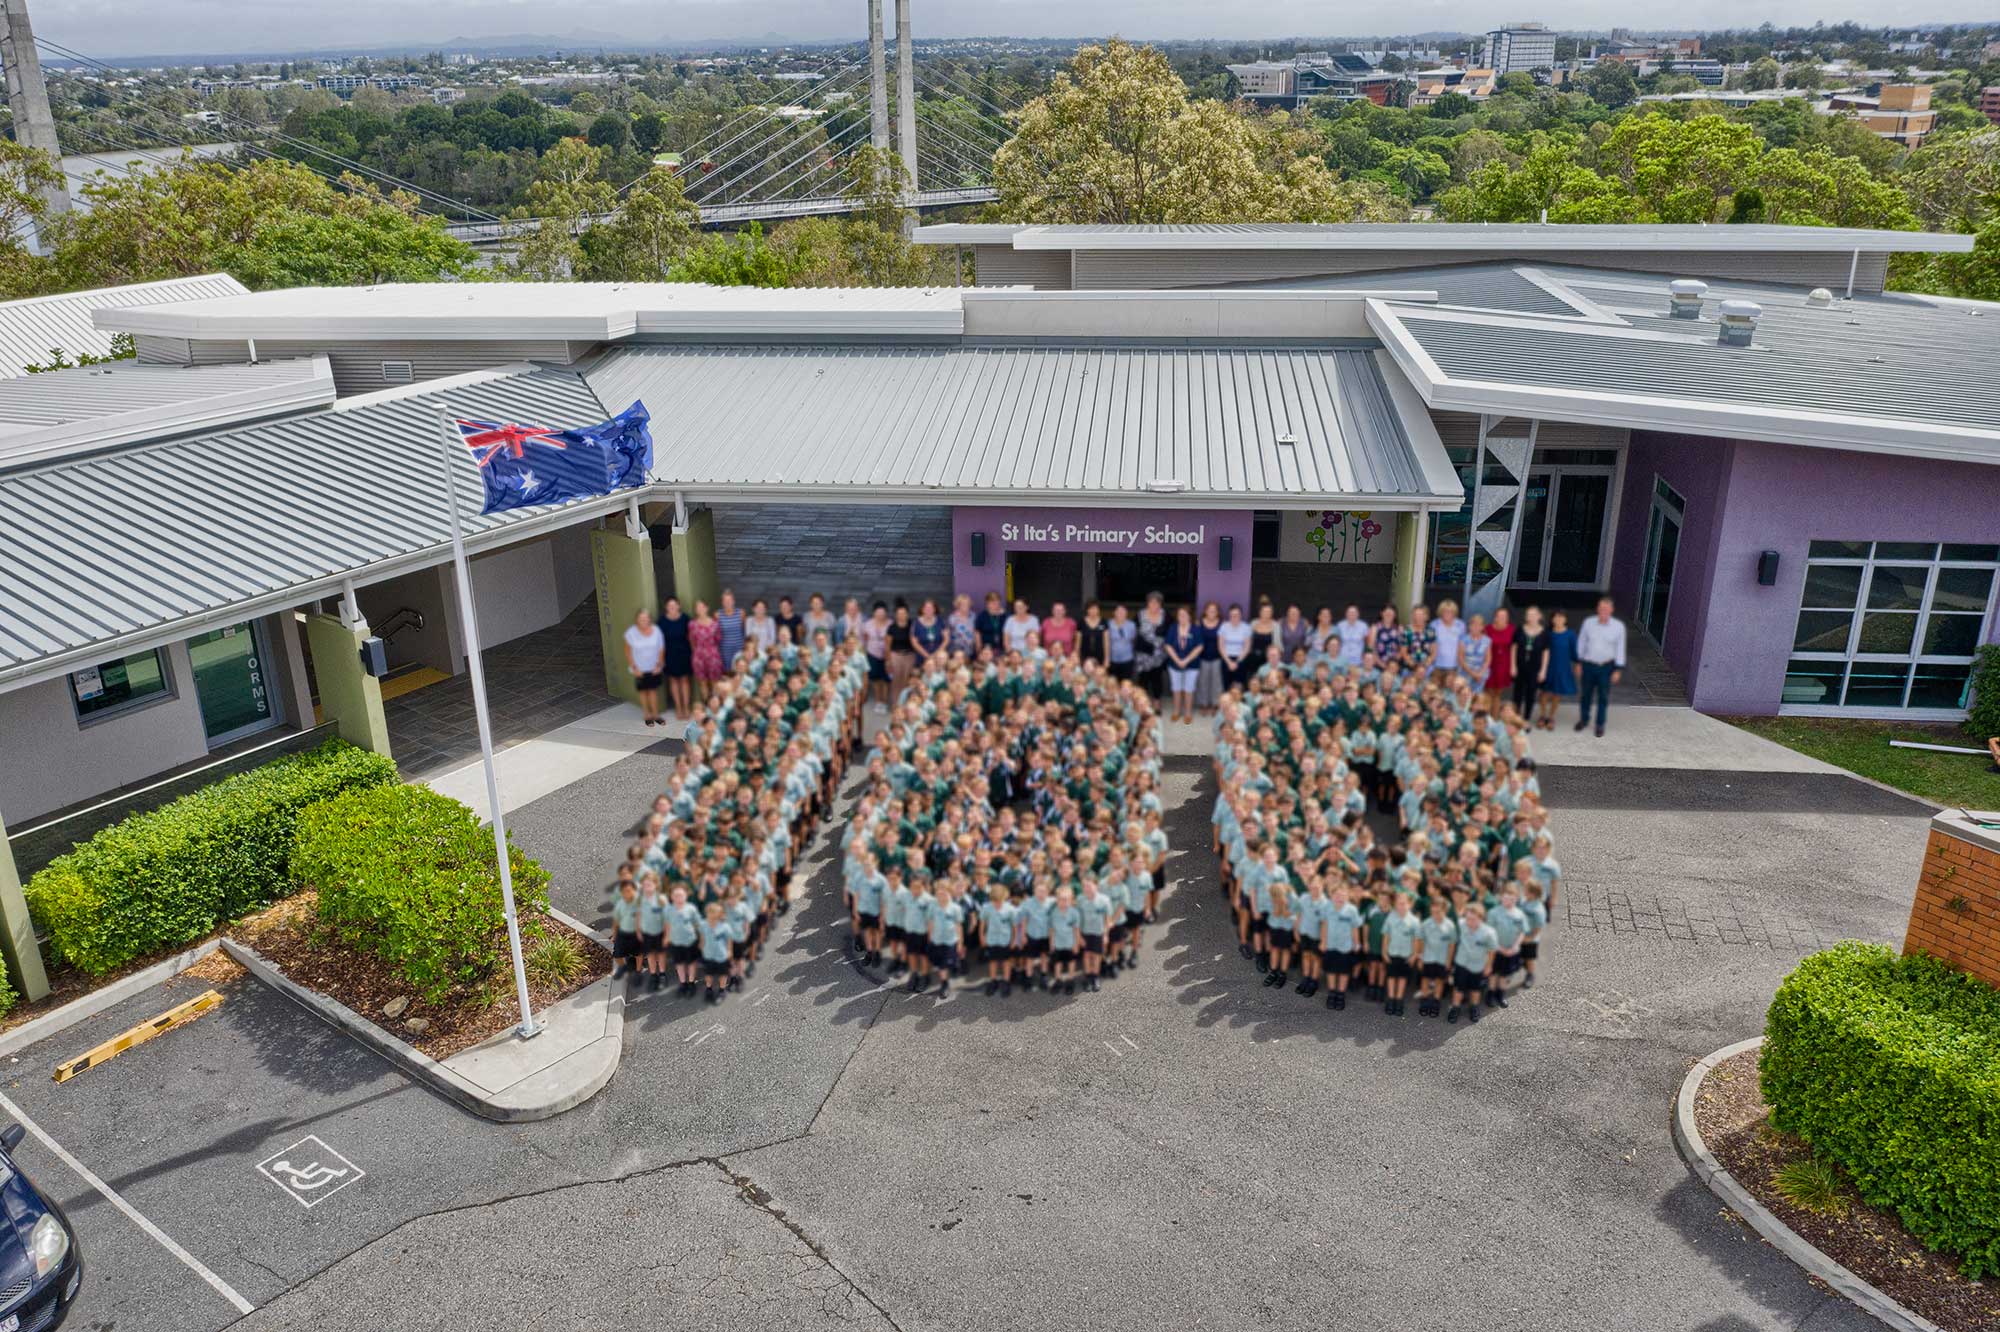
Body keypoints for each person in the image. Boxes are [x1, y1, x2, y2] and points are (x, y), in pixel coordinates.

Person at [1574, 597, 1627, 737]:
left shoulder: (1618, 627)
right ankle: (1584, 720)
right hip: (1588, 666)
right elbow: (1581, 643)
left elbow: (1620, 648)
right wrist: (1578, 662)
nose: (1603, 610)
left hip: (1606, 667)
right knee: (1585, 695)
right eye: (1601, 608)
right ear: (1597, 609)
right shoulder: (1588, 623)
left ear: (1611, 610)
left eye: (1606, 608)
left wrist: (1618, 669)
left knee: (1603, 696)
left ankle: (1600, 724)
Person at [1449, 905, 1498, 1024]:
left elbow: (1492, 951)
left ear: (1481, 918)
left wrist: (1489, 966)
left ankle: (1474, 1007)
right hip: (1461, 963)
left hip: (1477, 966)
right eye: (1468, 918)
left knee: (1475, 989)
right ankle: (1455, 1008)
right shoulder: (1461, 924)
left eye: (1473, 919)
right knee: (1458, 988)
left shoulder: (1489, 933)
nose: (1469, 922)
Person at [624, 608, 668, 726]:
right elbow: (627, 651)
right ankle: (647, 715)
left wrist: (659, 665)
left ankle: (656, 715)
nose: (644, 620)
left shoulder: (656, 631)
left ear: (649, 619)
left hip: (654, 668)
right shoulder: (631, 633)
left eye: (646, 618)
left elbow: (661, 648)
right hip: (639, 669)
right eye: (641, 618)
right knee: (644, 692)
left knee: (653, 691)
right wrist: (634, 667)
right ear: (637, 620)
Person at [1538, 610, 1577, 731]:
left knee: (1557, 693)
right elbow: (1540, 651)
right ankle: (1543, 716)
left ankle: (1551, 717)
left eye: (1561, 617)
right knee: (1544, 693)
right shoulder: (1547, 634)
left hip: (1563, 668)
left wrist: (1578, 664)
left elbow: (1575, 652)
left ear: (1565, 619)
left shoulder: (1570, 634)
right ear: (1552, 619)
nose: (1559, 619)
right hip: (1547, 667)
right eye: (1556, 617)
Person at [659, 596, 694, 721]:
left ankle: (686, 707)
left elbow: (691, 637)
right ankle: (678, 708)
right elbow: (659, 641)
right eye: (670, 606)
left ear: (679, 606)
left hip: (684, 653)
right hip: (669, 654)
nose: (672, 608)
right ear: (666, 607)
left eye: (674, 605)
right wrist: (661, 659)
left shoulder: (685, 618)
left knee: (685, 681)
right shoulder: (662, 621)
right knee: (674, 681)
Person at [1165, 606, 1201, 724]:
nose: (1182, 617)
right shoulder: (1173, 628)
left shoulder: (1195, 629)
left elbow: (1199, 647)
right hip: (1174, 664)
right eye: (1180, 615)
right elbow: (1168, 645)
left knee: (1188, 689)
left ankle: (1188, 713)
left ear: (1190, 616)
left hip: (1192, 665)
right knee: (1176, 688)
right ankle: (1176, 712)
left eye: (1184, 615)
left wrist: (1186, 661)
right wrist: (1177, 660)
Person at [1514, 606, 1549, 722]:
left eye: (1533, 614)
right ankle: (1516, 717)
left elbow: (1546, 652)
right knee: (1517, 693)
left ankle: (1526, 719)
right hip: (1520, 667)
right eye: (1528, 614)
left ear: (1539, 616)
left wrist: (1543, 670)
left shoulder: (1544, 633)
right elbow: (1514, 648)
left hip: (1535, 668)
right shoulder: (1520, 629)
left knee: (1531, 694)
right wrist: (1512, 666)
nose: (1531, 617)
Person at [1135, 592, 1169, 699]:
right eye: (1152, 602)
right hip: (1143, 653)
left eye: (1157, 602)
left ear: (1160, 604)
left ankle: (1157, 702)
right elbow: (1134, 632)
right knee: (1143, 679)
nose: (1154, 605)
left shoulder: (1165, 615)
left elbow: (1171, 631)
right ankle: (1142, 702)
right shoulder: (1140, 615)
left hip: (1159, 654)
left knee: (1157, 678)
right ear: (1147, 603)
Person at [688, 599, 724, 700]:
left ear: (707, 608)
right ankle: (707, 707)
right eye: (697, 607)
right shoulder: (692, 624)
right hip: (699, 656)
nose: (699, 609)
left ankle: (715, 707)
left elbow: (718, 639)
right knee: (702, 683)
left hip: (713, 655)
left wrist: (710, 649)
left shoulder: (715, 624)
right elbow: (691, 640)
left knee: (714, 683)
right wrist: (697, 652)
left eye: (702, 607)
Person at [1484, 606, 1516, 714]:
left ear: (1507, 618)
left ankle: (1494, 717)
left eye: (1504, 616)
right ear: (1495, 618)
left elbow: (1514, 649)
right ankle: (1486, 717)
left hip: (1503, 665)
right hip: (1489, 664)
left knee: (1498, 693)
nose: (1502, 618)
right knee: (1488, 692)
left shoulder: (1512, 629)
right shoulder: (1488, 629)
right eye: (1499, 616)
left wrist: (1513, 666)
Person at [1195, 602, 1225, 713]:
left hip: (1217, 657)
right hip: (1202, 657)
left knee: (1216, 682)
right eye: (1209, 610)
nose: (1212, 612)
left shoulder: (1222, 624)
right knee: (1203, 681)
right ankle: (1203, 704)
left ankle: (1215, 704)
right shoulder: (1199, 623)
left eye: (1214, 610)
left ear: (1217, 612)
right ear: (1205, 611)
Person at [610, 878, 641, 982]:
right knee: (617, 954)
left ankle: (638, 971)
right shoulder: (620, 904)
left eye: (629, 890)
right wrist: (614, 935)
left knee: (638, 953)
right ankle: (623, 968)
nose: (626, 893)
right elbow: (616, 921)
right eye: (624, 891)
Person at [861, 602, 892, 707]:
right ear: (874, 613)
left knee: (886, 679)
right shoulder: (867, 624)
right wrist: (864, 652)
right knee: (875, 678)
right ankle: (878, 701)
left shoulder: (890, 624)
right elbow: (865, 640)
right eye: (878, 613)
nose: (880, 615)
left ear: (886, 613)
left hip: (887, 655)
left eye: (882, 613)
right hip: (872, 654)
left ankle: (885, 701)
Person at [1218, 604, 1254, 690]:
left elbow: (1247, 647)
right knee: (1226, 685)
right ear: (1229, 615)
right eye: (1232, 615)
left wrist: (1237, 662)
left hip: (1241, 660)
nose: (1234, 617)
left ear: (1240, 615)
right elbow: (1221, 646)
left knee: (1239, 686)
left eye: (1237, 614)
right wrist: (1229, 662)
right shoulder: (1224, 627)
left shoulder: (1246, 627)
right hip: (1226, 659)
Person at [887, 602, 917, 696]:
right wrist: (888, 661)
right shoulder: (892, 628)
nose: (901, 615)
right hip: (896, 656)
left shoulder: (912, 626)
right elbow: (887, 645)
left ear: (907, 614)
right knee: (896, 681)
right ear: (896, 615)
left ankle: (906, 703)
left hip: (910, 656)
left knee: (907, 680)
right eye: (899, 614)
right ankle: (896, 705)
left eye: (904, 613)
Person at [715, 590, 746, 671]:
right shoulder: (717, 614)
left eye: (730, 600)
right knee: (728, 671)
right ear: (722, 602)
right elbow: (716, 632)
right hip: (725, 649)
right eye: (725, 600)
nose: (728, 602)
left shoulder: (741, 613)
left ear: (733, 601)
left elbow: (744, 629)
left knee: (740, 668)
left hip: (739, 646)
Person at [1107, 603, 1137, 680]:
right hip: (1112, 659)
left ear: (1126, 613)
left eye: (1123, 612)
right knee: (1113, 682)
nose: (1121, 614)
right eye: (1119, 612)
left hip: (1127, 659)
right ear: (1114, 613)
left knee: (1126, 682)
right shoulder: (1108, 624)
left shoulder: (1131, 625)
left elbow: (1133, 640)